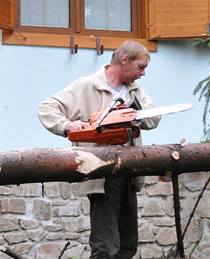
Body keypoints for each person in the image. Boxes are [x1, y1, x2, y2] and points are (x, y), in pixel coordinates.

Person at [38, 40, 161, 258]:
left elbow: (154, 118)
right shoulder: (86, 86)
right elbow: (47, 108)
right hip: (101, 176)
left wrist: (133, 114)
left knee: (127, 245)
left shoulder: (134, 90)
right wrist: (67, 126)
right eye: (140, 67)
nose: (143, 73)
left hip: (130, 173)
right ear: (125, 59)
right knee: (106, 247)